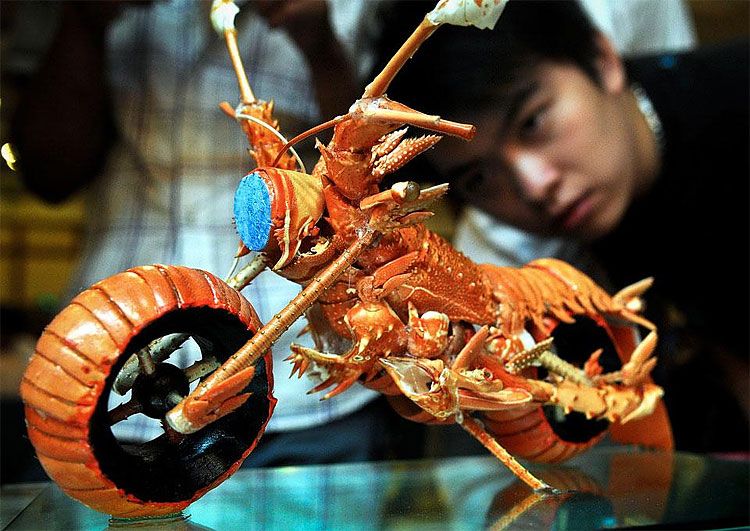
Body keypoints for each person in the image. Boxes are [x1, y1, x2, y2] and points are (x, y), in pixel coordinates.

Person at [10, 0, 422, 471]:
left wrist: (320, 44)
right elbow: (47, 175)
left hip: (306, 381)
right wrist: (85, 19)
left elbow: (382, 189)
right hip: (110, 353)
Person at [376, 0, 749, 453]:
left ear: (602, 60)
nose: (535, 186)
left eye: (533, 122)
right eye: (479, 179)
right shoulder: (569, 233)